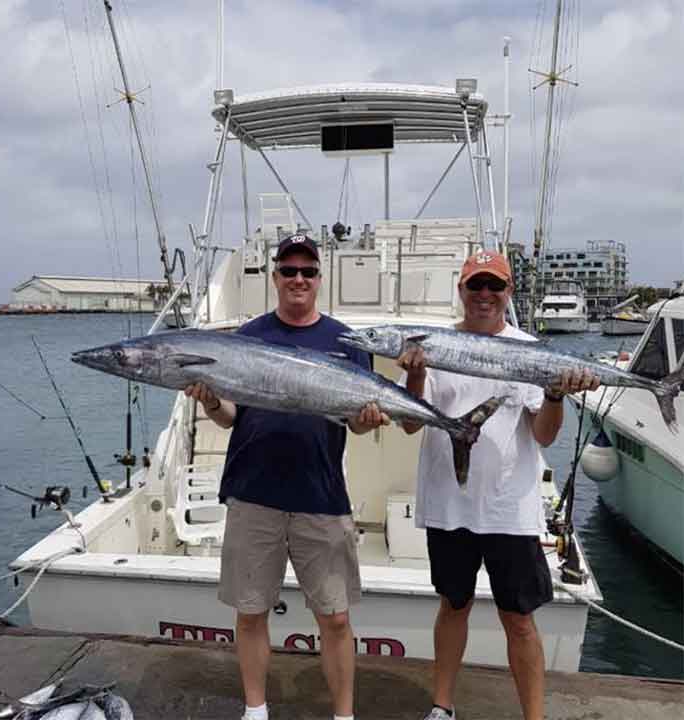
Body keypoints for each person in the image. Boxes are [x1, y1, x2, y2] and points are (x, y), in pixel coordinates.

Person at [185, 233, 388, 720]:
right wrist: (210, 400)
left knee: (335, 618)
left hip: (321, 494)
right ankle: (256, 710)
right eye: (289, 270)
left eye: (308, 271)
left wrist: (371, 417)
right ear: (275, 277)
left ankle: (344, 715)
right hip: (254, 493)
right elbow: (230, 415)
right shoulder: (247, 337)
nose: (299, 279)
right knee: (250, 611)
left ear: (319, 279)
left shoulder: (346, 343)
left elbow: (356, 422)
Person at [398, 250, 600, 720]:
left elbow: (545, 434)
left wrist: (554, 392)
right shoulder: (432, 346)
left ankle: (535, 717)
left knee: (519, 619)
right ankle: (441, 707)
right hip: (449, 505)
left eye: (495, 286)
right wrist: (415, 375)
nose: (485, 295)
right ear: (462, 291)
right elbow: (410, 426)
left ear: (509, 292)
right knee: (453, 605)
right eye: (476, 286)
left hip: (510, 509)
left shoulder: (531, 349)